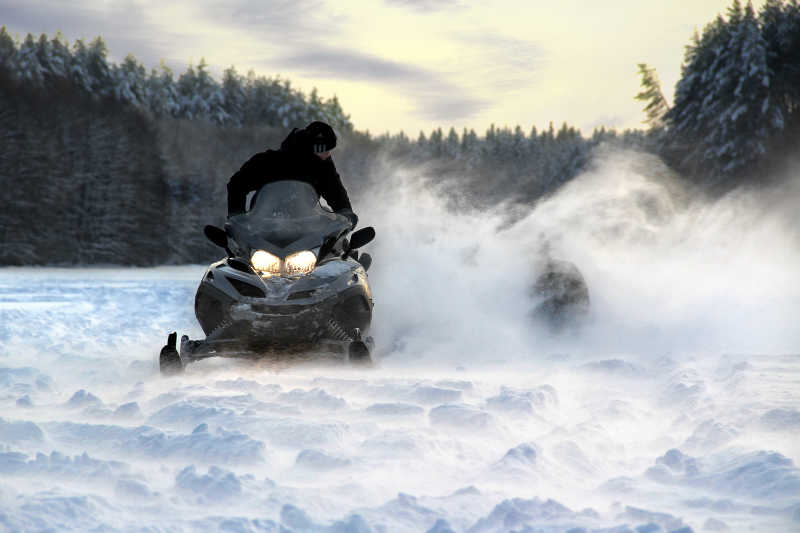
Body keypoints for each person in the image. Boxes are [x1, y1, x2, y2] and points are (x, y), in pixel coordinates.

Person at [226, 121, 358, 226]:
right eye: (325, 150)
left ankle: (347, 255)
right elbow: (237, 184)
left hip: (306, 228)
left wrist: (345, 213)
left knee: (335, 247)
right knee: (239, 256)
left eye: (329, 151)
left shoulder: (323, 167)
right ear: (314, 149)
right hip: (263, 228)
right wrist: (237, 216)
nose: (328, 155)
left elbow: (335, 191)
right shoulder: (269, 161)